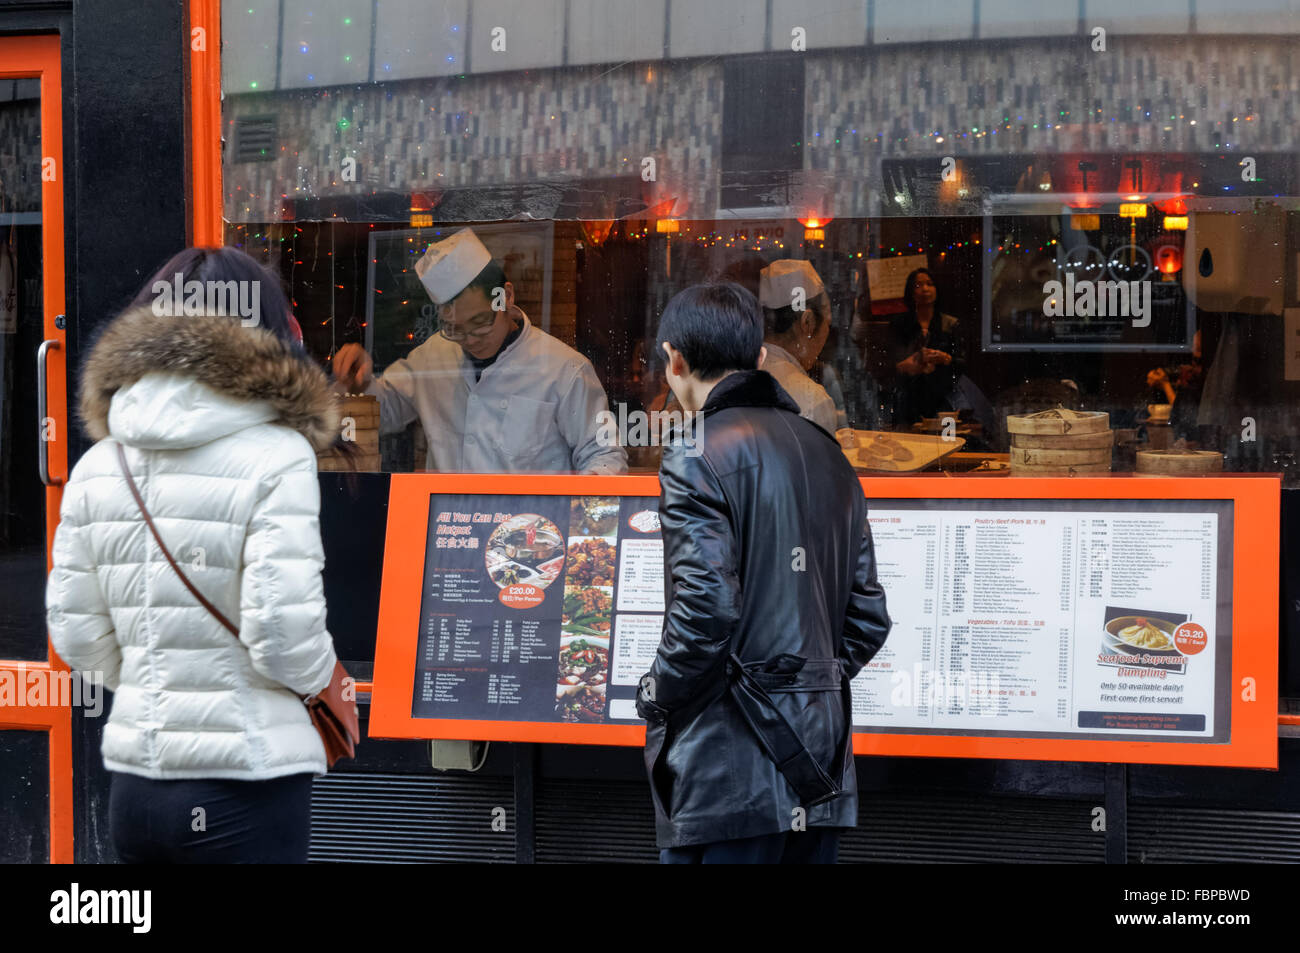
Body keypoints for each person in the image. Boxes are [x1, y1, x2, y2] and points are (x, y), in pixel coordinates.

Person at [45, 247, 341, 863]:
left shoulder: (99, 464)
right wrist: (326, 685)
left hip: (136, 790)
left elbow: (75, 637)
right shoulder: (277, 455)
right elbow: (283, 634)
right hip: (247, 786)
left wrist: (161, 685)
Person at [637, 281, 892, 864]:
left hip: (728, 775)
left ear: (674, 360)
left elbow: (705, 611)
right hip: (818, 768)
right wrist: (800, 681)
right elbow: (867, 617)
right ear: (758, 359)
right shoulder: (830, 451)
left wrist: (657, 694)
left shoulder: (694, 451)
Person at [333, 228, 627, 473]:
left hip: (529, 534)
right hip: (447, 529)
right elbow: (385, 411)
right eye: (454, 328)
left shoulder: (565, 369)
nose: (470, 338)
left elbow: (605, 456)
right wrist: (360, 383)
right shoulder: (434, 356)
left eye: (480, 322)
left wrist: (569, 514)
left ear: (507, 297)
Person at [757, 259, 839, 433]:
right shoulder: (812, 401)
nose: (827, 332)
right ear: (807, 322)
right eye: (827, 323)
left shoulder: (729, 376)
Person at [887, 267, 965, 426]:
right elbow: (889, 364)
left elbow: (962, 364)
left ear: (937, 289)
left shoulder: (950, 324)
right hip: (909, 398)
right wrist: (908, 364)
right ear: (910, 292)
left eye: (930, 284)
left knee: (947, 441)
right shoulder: (899, 324)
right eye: (918, 285)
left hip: (943, 397)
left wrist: (945, 358)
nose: (925, 289)